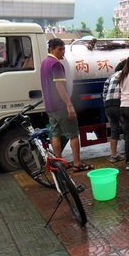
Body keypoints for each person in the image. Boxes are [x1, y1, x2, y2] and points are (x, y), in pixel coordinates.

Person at [40, 38, 92, 172]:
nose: (62, 52)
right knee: (73, 134)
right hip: (60, 105)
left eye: (63, 49)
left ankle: (59, 162)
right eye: (59, 49)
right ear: (52, 49)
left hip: (50, 106)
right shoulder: (56, 64)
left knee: (56, 134)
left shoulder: (44, 63)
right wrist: (69, 105)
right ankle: (77, 163)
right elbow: (59, 86)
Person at [102, 60, 127, 163]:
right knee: (127, 128)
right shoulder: (126, 74)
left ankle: (114, 155)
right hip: (119, 104)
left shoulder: (110, 77)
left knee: (114, 130)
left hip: (108, 106)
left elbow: (104, 93)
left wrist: (107, 104)